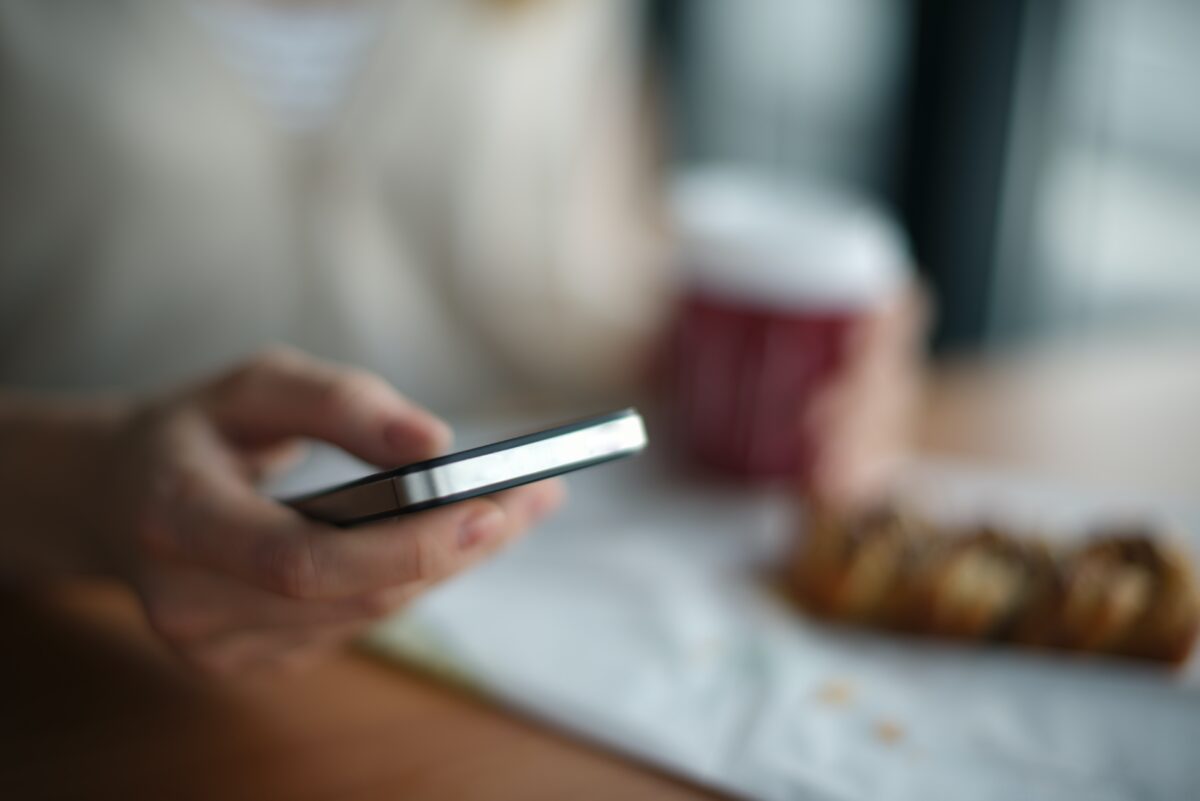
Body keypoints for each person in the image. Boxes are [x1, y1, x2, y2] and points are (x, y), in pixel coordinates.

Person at [0, 0, 920, 674]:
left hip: (539, 650)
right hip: (76, 647)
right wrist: (77, 483)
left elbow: (600, 278)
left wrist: (797, 374)